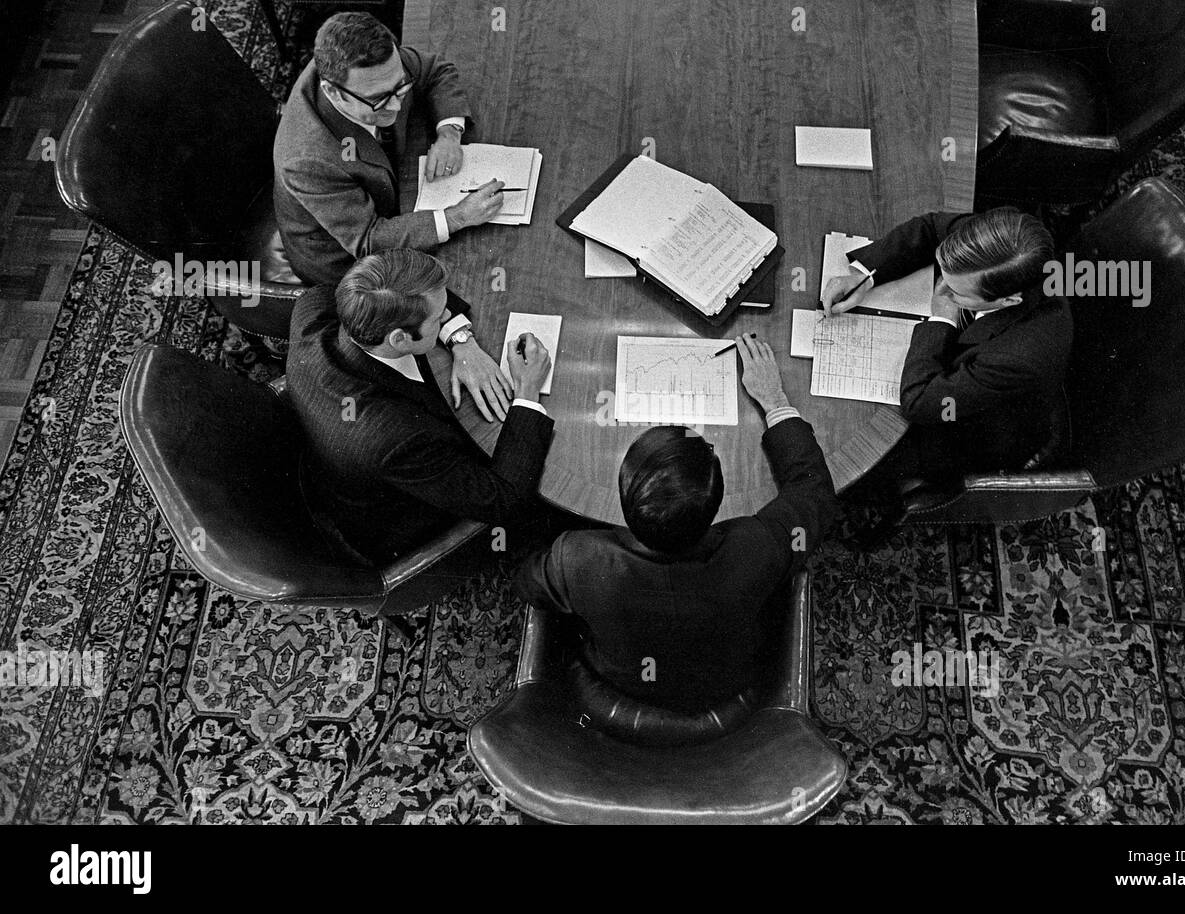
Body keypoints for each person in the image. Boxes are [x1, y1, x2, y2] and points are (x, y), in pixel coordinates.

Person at [513, 335, 838, 715]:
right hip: (726, 679)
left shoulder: (578, 557)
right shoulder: (757, 546)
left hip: (620, 679)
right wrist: (775, 401)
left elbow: (526, 584)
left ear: (623, 501)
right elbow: (815, 492)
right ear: (717, 504)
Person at [286, 249, 553, 564]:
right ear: (399, 339)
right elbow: (503, 498)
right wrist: (527, 390)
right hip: (403, 518)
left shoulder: (313, 307)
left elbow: (411, 297)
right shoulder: (397, 440)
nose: (445, 316)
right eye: (439, 318)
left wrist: (460, 339)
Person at [822, 207, 1073, 487]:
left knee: (837, 468)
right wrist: (864, 273)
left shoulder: (1016, 358)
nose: (941, 289)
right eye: (944, 276)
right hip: (967, 372)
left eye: (956, 292)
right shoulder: (993, 242)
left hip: (970, 434)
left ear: (1008, 302)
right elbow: (930, 227)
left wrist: (941, 316)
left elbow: (919, 403)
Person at [274, 12, 505, 286]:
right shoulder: (307, 159)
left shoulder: (371, 68)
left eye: (400, 88)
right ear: (333, 92)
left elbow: (434, 71)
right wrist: (457, 217)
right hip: (347, 263)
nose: (395, 106)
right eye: (379, 100)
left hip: (392, 193)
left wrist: (449, 133)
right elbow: (368, 240)